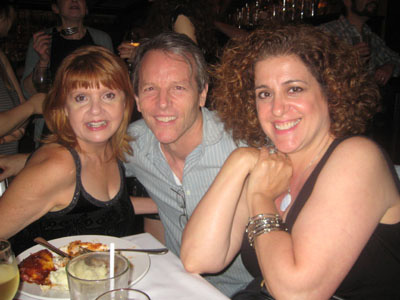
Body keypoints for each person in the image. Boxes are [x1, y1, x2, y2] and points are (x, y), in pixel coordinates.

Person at [0, 32, 253, 296]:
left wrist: (22, 160)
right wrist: (32, 161)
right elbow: (74, 164)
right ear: (137, 100)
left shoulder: (242, 145)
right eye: (150, 88)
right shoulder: (135, 143)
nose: (163, 103)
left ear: (202, 94)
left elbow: (96, 186)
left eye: (178, 87)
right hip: (51, 285)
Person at [181, 23, 400, 299]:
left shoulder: (358, 158)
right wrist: (239, 161)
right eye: (264, 93)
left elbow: (297, 293)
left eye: (294, 89)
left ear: (331, 92)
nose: (277, 108)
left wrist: (260, 197)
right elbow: (198, 258)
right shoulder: (270, 163)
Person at [0, 45, 136, 255]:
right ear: (64, 107)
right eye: (81, 98)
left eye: (108, 95)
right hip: (36, 283)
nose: (96, 110)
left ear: (125, 102)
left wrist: (165, 204)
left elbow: (107, 209)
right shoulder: (59, 166)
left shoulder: (109, 150)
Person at [21, 0, 113, 147]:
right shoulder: (43, 40)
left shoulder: (101, 39)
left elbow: (112, 84)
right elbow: (28, 92)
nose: (74, 1)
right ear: (55, 8)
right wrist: (43, 62)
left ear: (86, 9)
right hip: (54, 125)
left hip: (94, 119)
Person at [319, 0, 400, 87]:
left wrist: (388, 67)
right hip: (337, 98)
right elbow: (312, 69)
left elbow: (395, 59)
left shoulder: (372, 37)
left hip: (368, 98)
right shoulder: (325, 32)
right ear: (347, 1)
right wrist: (346, 59)